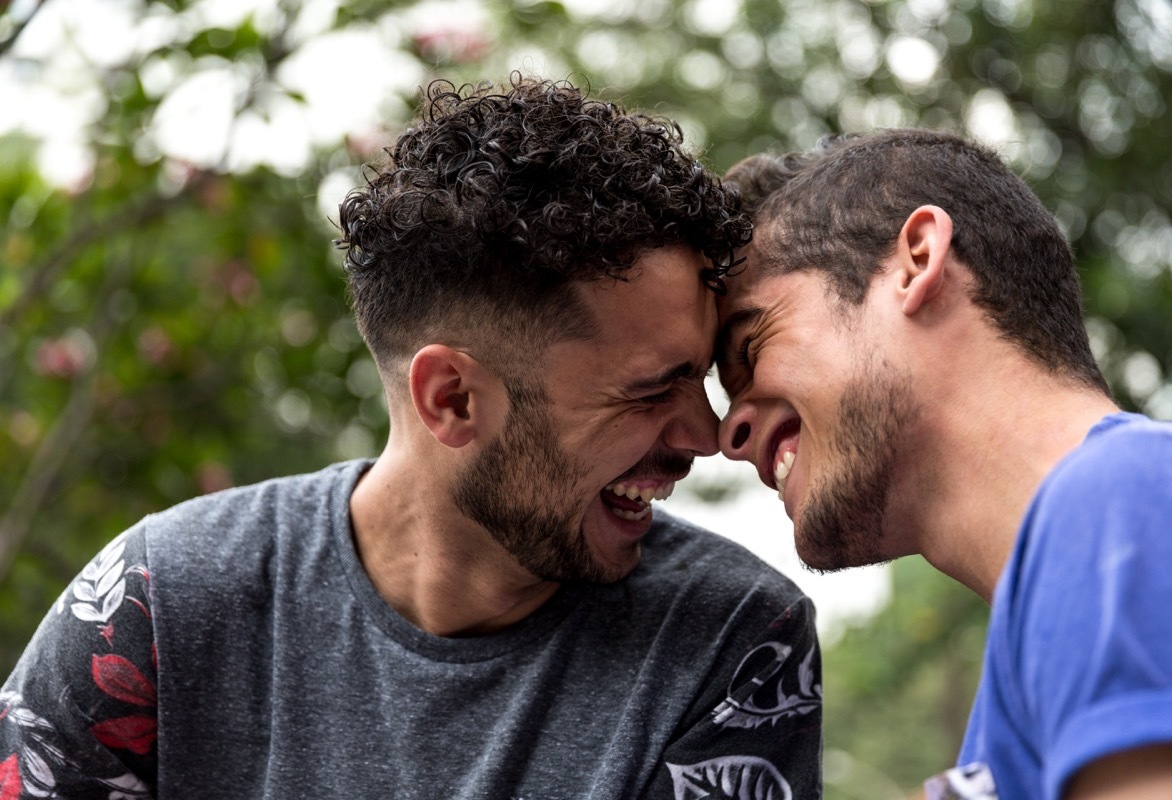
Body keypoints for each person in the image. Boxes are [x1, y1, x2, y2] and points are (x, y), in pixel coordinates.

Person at [0, 77, 823, 799]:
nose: (707, 434)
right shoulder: (154, 607)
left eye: (699, 377)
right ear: (454, 400)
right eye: (651, 389)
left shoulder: (733, 640)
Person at [715, 128, 1172, 800]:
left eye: (749, 342)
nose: (727, 432)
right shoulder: (1016, 691)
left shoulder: (1125, 496)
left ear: (916, 260)